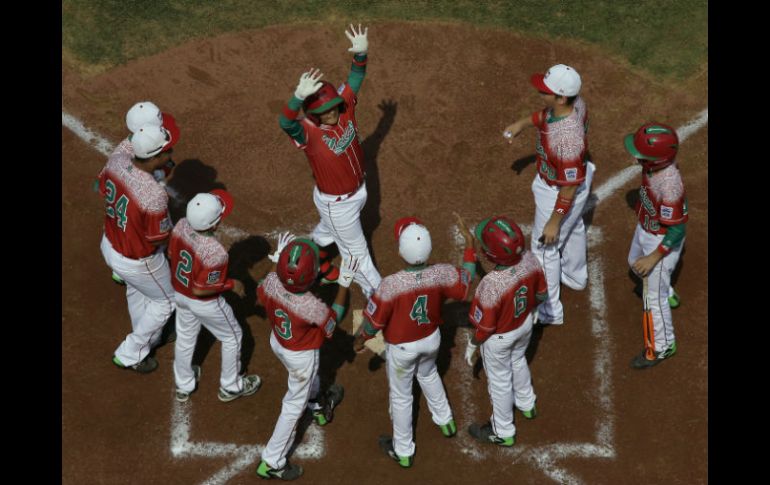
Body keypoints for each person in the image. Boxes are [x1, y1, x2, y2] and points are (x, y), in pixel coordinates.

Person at [353, 213, 477, 469]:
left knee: (401, 397)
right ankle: (446, 421)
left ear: (401, 252)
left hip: (402, 349)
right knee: (429, 374)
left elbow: (371, 324)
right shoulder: (441, 273)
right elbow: (466, 281)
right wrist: (470, 247)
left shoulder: (390, 286)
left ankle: (403, 450)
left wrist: (360, 341)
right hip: (431, 340)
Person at [278, 23, 381, 298]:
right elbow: (285, 122)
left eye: (331, 108)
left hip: (357, 191)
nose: (329, 114)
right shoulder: (308, 132)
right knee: (358, 257)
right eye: (321, 112)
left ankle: (316, 260)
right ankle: (382, 302)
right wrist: (297, 96)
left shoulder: (344, 107)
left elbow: (355, 79)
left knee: (326, 232)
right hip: (339, 205)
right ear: (312, 114)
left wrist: (361, 54)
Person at [255, 235, 355, 481]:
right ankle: (272, 462)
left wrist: (277, 259)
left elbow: (260, 290)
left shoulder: (270, 283)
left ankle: (317, 404)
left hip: (278, 342)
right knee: (292, 407)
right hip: (300, 355)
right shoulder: (311, 305)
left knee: (309, 380)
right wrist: (343, 284)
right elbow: (334, 321)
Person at [503, 64, 595, 325]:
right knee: (575, 225)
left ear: (561, 97)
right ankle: (576, 277)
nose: (540, 93)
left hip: (559, 189)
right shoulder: (576, 104)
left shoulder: (566, 139)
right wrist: (522, 123)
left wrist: (554, 220)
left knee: (544, 248)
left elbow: (568, 186)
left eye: (546, 91)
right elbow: (547, 115)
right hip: (578, 176)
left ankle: (549, 311)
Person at [98, 113, 181, 373]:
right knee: (167, 301)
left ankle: (148, 334)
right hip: (137, 259)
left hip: (110, 244)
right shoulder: (154, 195)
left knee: (139, 289)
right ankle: (131, 352)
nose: (171, 154)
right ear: (154, 158)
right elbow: (158, 238)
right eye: (167, 152)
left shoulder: (116, 161)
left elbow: (101, 186)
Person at [168, 190, 262, 402]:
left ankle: (183, 384)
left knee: (185, 336)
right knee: (232, 337)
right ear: (213, 225)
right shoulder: (216, 252)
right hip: (204, 303)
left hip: (179, 293)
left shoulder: (182, 224)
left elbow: (171, 254)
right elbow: (201, 289)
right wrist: (231, 284)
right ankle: (231, 386)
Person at [464, 216, 547, 447]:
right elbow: (541, 294)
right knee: (518, 360)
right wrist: (533, 309)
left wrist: (473, 343)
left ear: (493, 254)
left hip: (499, 338)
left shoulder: (490, 285)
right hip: (525, 325)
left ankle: (503, 431)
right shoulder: (530, 259)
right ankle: (527, 403)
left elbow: (485, 328)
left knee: (499, 382)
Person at [624, 123, 687, 369]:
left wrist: (653, 258)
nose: (634, 156)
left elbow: (678, 228)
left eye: (640, 154)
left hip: (661, 241)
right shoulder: (654, 168)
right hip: (647, 228)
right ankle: (668, 291)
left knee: (653, 299)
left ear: (657, 160)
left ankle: (662, 346)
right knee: (633, 263)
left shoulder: (670, 184)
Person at [107, 101, 176, 287]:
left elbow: (102, 185)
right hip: (138, 241)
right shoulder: (141, 152)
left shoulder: (123, 151)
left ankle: (120, 268)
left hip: (118, 217)